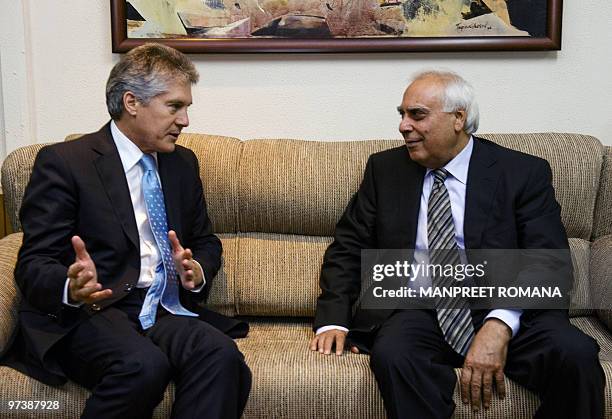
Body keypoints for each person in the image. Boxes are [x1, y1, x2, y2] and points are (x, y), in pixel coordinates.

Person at [310, 70, 605, 418]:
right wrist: (333, 321)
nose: (404, 126)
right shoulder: (385, 169)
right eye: (402, 115)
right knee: (394, 354)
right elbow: (349, 245)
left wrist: (499, 325)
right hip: (418, 309)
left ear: (458, 118)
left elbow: (548, 260)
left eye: (417, 114)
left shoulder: (521, 172)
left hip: (507, 309)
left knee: (577, 355)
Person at [7, 43, 251, 419]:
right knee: (142, 365)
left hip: (162, 308)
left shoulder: (182, 164)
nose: (185, 121)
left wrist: (197, 268)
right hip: (93, 311)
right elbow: (33, 262)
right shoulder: (65, 163)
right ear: (132, 102)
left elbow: (205, 240)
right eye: (174, 106)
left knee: (220, 354)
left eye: (187, 108)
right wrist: (70, 286)